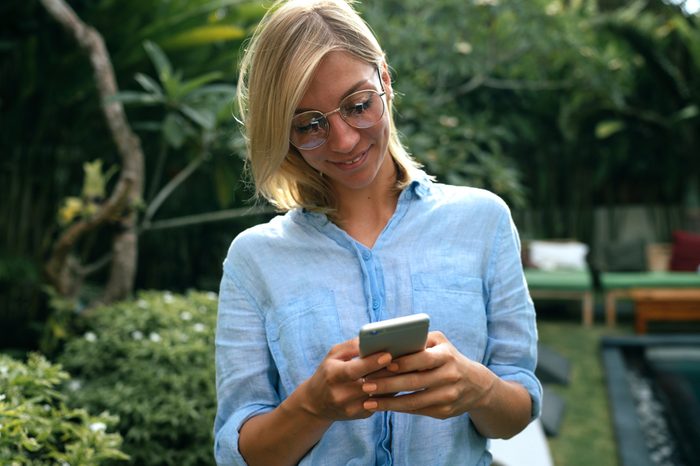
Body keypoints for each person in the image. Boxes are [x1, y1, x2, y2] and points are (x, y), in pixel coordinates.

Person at [214, 0, 542, 464]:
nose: (344, 140)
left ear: (384, 80)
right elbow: (238, 452)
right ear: (284, 133)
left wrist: (478, 388)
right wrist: (312, 406)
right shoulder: (254, 259)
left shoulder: (482, 221)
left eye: (358, 105)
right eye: (309, 124)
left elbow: (517, 411)